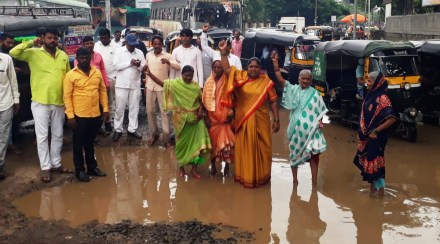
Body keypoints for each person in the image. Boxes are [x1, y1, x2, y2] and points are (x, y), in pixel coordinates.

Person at [10, 28, 74, 183]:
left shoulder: (63, 55)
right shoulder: (34, 53)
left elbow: (68, 77)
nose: (53, 41)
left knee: (58, 134)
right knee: (43, 136)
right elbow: (13, 52)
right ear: (43, 38)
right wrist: (32, 42)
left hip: (59, 101)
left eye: (55, 38)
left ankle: (56, 164)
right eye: (49, 38)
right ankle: (45, 167)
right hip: (40, 101)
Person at [218, 40, 280, 188]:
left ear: (260, 69)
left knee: (263, 148)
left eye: (256, 67)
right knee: (244, 149)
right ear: (247, 68)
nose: (253, 69)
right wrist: (223, 53)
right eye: (251, 66)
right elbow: (226, 70)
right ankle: (245, 177)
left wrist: (277, 119)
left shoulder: (266, 82)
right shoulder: (241, 77)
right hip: (244, 120)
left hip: (261, 120)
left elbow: (273, 101)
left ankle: (262, 178)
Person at [272, 52, 328, 186]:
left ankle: (314, 182)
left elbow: (321, 112)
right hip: (294, 130)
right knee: (294, 156)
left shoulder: (315, 94)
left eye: (308, 79)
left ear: (311, 80)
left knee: (314, 157)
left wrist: (320, 123)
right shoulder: (293, 89)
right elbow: (280, 79)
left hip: (312, 133)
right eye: (303, 78)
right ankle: (295, 181)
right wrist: (275, 64)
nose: (305, 81)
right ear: (298, 79)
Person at [145, 65, 211, 179]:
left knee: (197, 145)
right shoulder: (175, 84)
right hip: (181, 121)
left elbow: (202, 100)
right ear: (182, 75)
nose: (189, 78)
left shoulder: (195, 86)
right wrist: (149, 74)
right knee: (181, 146)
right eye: (186, 76)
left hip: (196, 120)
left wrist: (201, 110)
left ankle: (194, 170)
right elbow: (162, 84)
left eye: (191, 76)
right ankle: (181, 168)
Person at [63, 47, 109, 182]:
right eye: (81, 58)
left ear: (90, 58)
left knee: (90, 142)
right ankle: (79, 170)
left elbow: (102, 91)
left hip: (95, 114)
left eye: (86, 57)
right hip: (79, 116)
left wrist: (105, 109)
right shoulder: (70, 75)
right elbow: (67, 97)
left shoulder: (97, 72)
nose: (84, 60)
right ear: (76, 59)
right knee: (78, 144)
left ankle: (92, 167)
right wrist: (70, 116)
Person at [353, 71, 397, 197]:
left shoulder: (383, 98)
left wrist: (376, 130)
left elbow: (392, 118)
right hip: (367, 136)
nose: (366, 83)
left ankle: (381, 194)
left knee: (377, 164)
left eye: (370, 81)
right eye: (367, 80)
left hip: (377, 137)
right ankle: (372, 192)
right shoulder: (369, 95)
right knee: (370, 163)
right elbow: (364, 116)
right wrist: (361, 132)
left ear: (377, 82)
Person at [145, 35, 180, 148]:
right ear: (152, 44)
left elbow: (178, 67)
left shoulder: (168, 55)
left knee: (164, 113)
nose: (157, 46)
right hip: (150, 87)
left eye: (159, 44)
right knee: (150, 111)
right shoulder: (148, 55)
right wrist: (145, 86)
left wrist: (169, 62)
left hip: (163, 88)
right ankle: (154, 134)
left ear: (162, 45)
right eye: (155, 44)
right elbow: (147, 71)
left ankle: (166, 138)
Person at [202, 59, 235, 176]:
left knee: (227, 145)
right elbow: (204, 101)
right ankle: (213, 166)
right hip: (212, 118)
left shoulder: (228, 82)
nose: (217, 70)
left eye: (219, 67)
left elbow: (234, 98)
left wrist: (232, 114)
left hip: (225, 118)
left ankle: (226, 168)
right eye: (215, 67)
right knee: (213, 143)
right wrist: (206, 118)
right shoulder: (208, 82)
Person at [74, 36, 111, 135]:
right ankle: (89, 132)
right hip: (86, 89)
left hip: (99, 86)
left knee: (100, 108)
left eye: (91, 43)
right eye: (87, 43)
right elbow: (78, 74)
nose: (89, 45)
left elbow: (102, 70)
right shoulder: (79, 58)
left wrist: (106, 83)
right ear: (83, 45)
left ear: (94, 44)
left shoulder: (98, 56)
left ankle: (98, 128)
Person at [112, 33, 146, 142]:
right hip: (121, 84)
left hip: (135, 84)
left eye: (134, 44)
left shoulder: (139, 52)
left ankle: (132, 129)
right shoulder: (119, 51)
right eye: (130, 44)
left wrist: (138, 65)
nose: (132, 47)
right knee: (119, 108)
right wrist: (129, 63)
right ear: (126, 42)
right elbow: (116, 66)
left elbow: (143, 67)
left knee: (134, 108)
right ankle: (118, 130)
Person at [0, 32, 24, 155]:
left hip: (7, 98)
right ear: (1, 42)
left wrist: (16, 99)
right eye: (8, 42)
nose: (10, 45)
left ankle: (8, 146)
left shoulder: (9, 57)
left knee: (6, 127)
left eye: (12, 43)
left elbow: (13, 81)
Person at [94, 28, 120, 131]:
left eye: (105, 38)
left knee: (110, 101)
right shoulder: (96, 46)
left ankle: (108, 121)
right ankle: (99, 122)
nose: (103, 40)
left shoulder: (117, 47)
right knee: (99, 101)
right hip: (97, 79)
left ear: (110, 37)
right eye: (102, 38)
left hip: (111, 78)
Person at [0, 51, 20, 180]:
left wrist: (16, 100)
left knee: (3, 134)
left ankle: (0, 164)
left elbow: (13, 80)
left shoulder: (6, 59)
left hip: (6, 103)